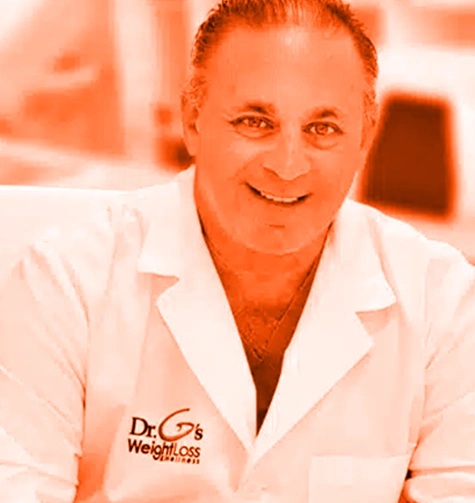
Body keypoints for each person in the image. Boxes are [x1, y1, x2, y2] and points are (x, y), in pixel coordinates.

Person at [1, 0, 475, 501]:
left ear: (364, 139)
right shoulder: (67, 283)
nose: (288, 165)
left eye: (323, 129)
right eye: (255, 122)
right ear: (192, 121)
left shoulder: (441, 304)